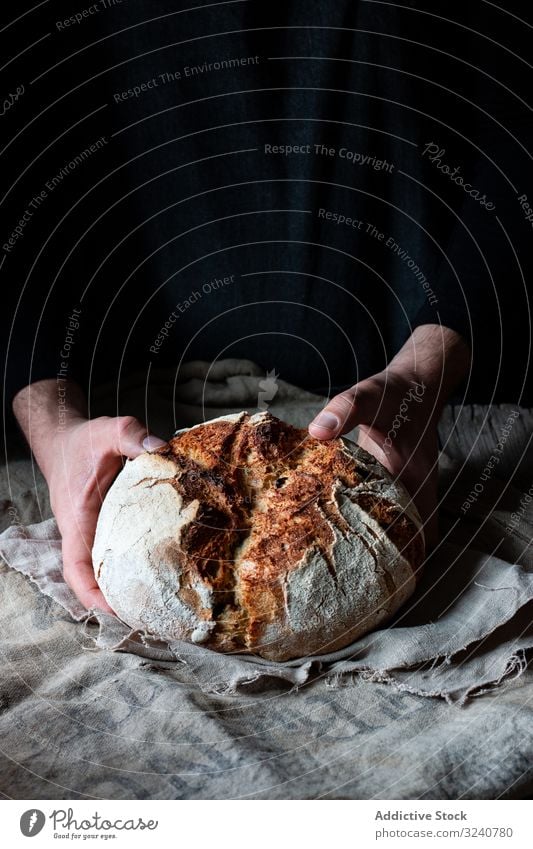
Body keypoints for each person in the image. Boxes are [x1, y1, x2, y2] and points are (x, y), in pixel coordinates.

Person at [3, 2, 529, 612]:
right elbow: (18, 152)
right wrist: (51, 422)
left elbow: (519, 122)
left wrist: (429, 365)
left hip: (430, 373)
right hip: (126, 380)